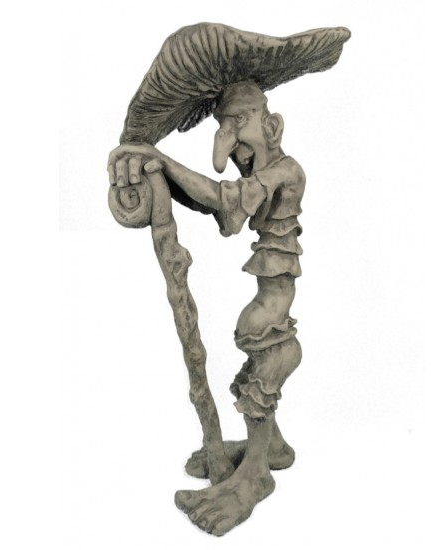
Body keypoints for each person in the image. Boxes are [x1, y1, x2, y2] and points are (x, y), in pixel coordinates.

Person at [108, 81, 304, 536]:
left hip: (276, 336)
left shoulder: (287, 171)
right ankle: (272, 448)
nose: (231, 143)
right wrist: (162, 177)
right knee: (254, 388)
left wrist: (164, 161)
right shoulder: (261, 176)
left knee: (257, 388)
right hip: (269, 329)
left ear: (273, 126)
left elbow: (223, 197)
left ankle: (255, 474)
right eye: (224, 127)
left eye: (239, 124)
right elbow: (223, 211)